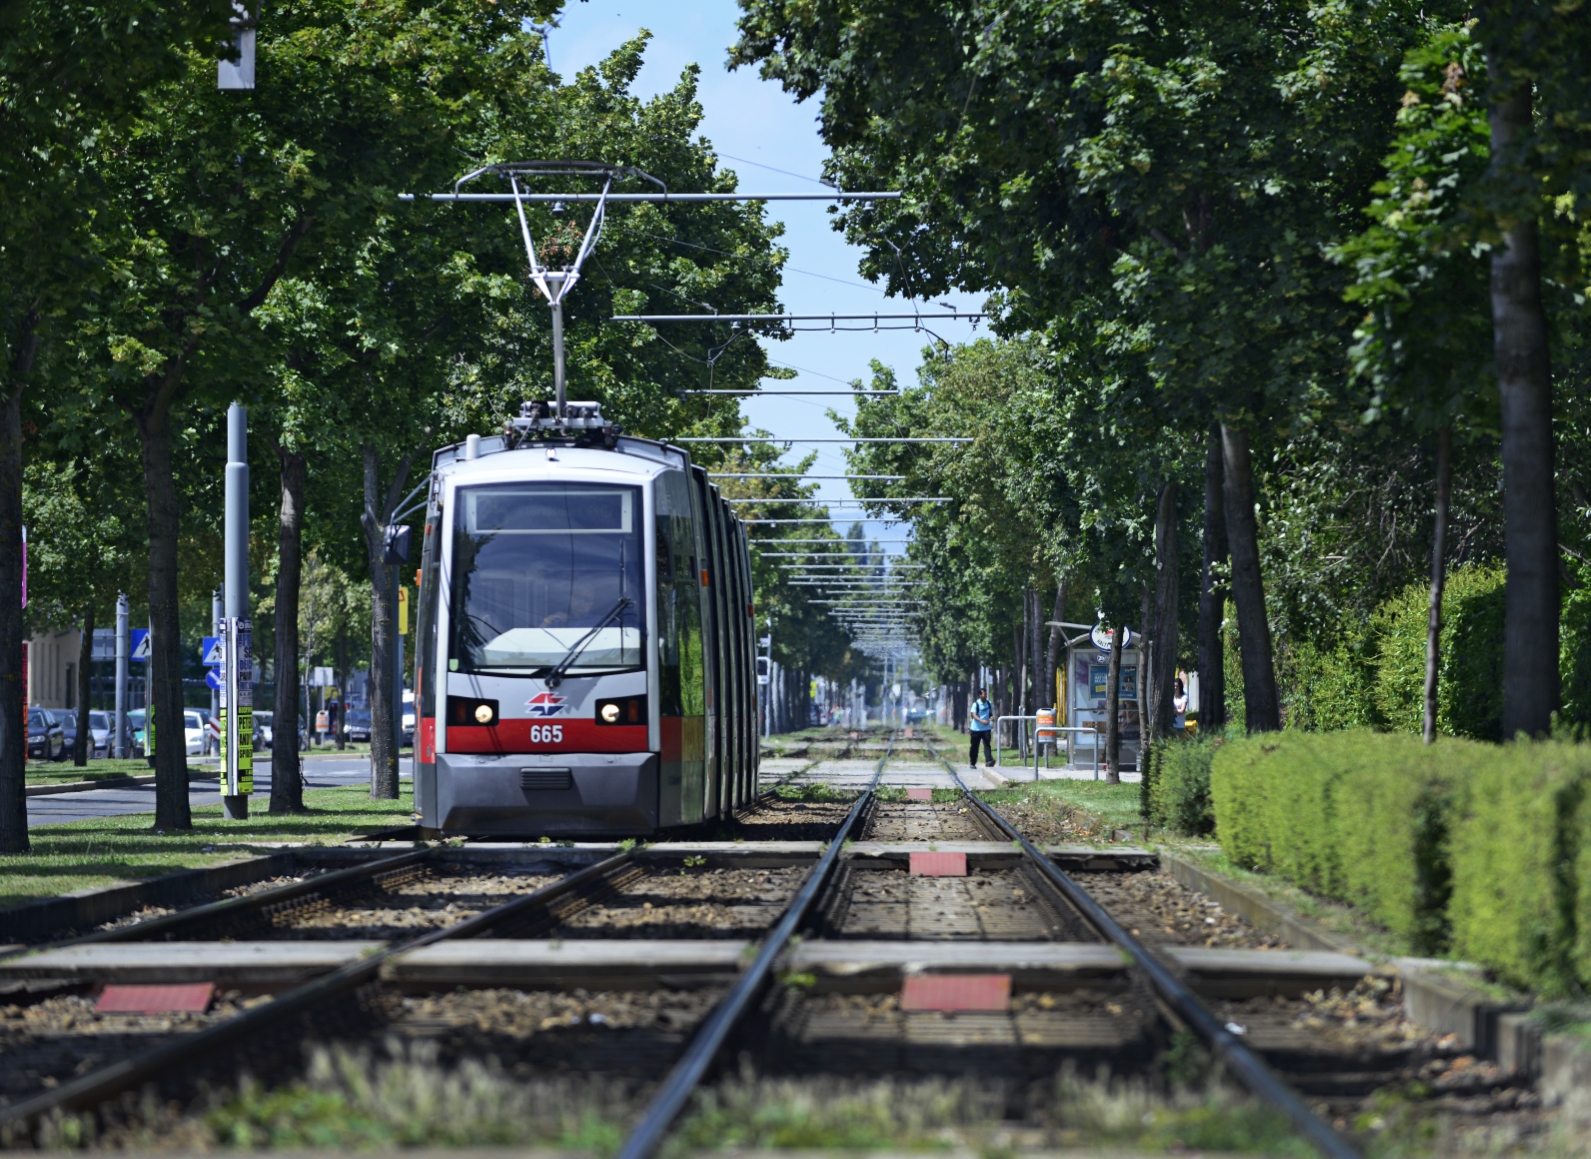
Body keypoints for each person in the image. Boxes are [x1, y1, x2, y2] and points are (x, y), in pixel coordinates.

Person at [969, 687, 993, 768]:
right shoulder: (976, 704)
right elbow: (974, 715)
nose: (986, 695)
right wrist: (981, 721)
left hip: (986, 728)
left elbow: (990, 713)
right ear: (980, 695)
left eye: (986, 694)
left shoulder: (989, 703)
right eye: (984, 694)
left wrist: (992, 717)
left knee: (987, 744)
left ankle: (989, 761)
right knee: (974, 746)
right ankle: (972, 762)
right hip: (976, 729)